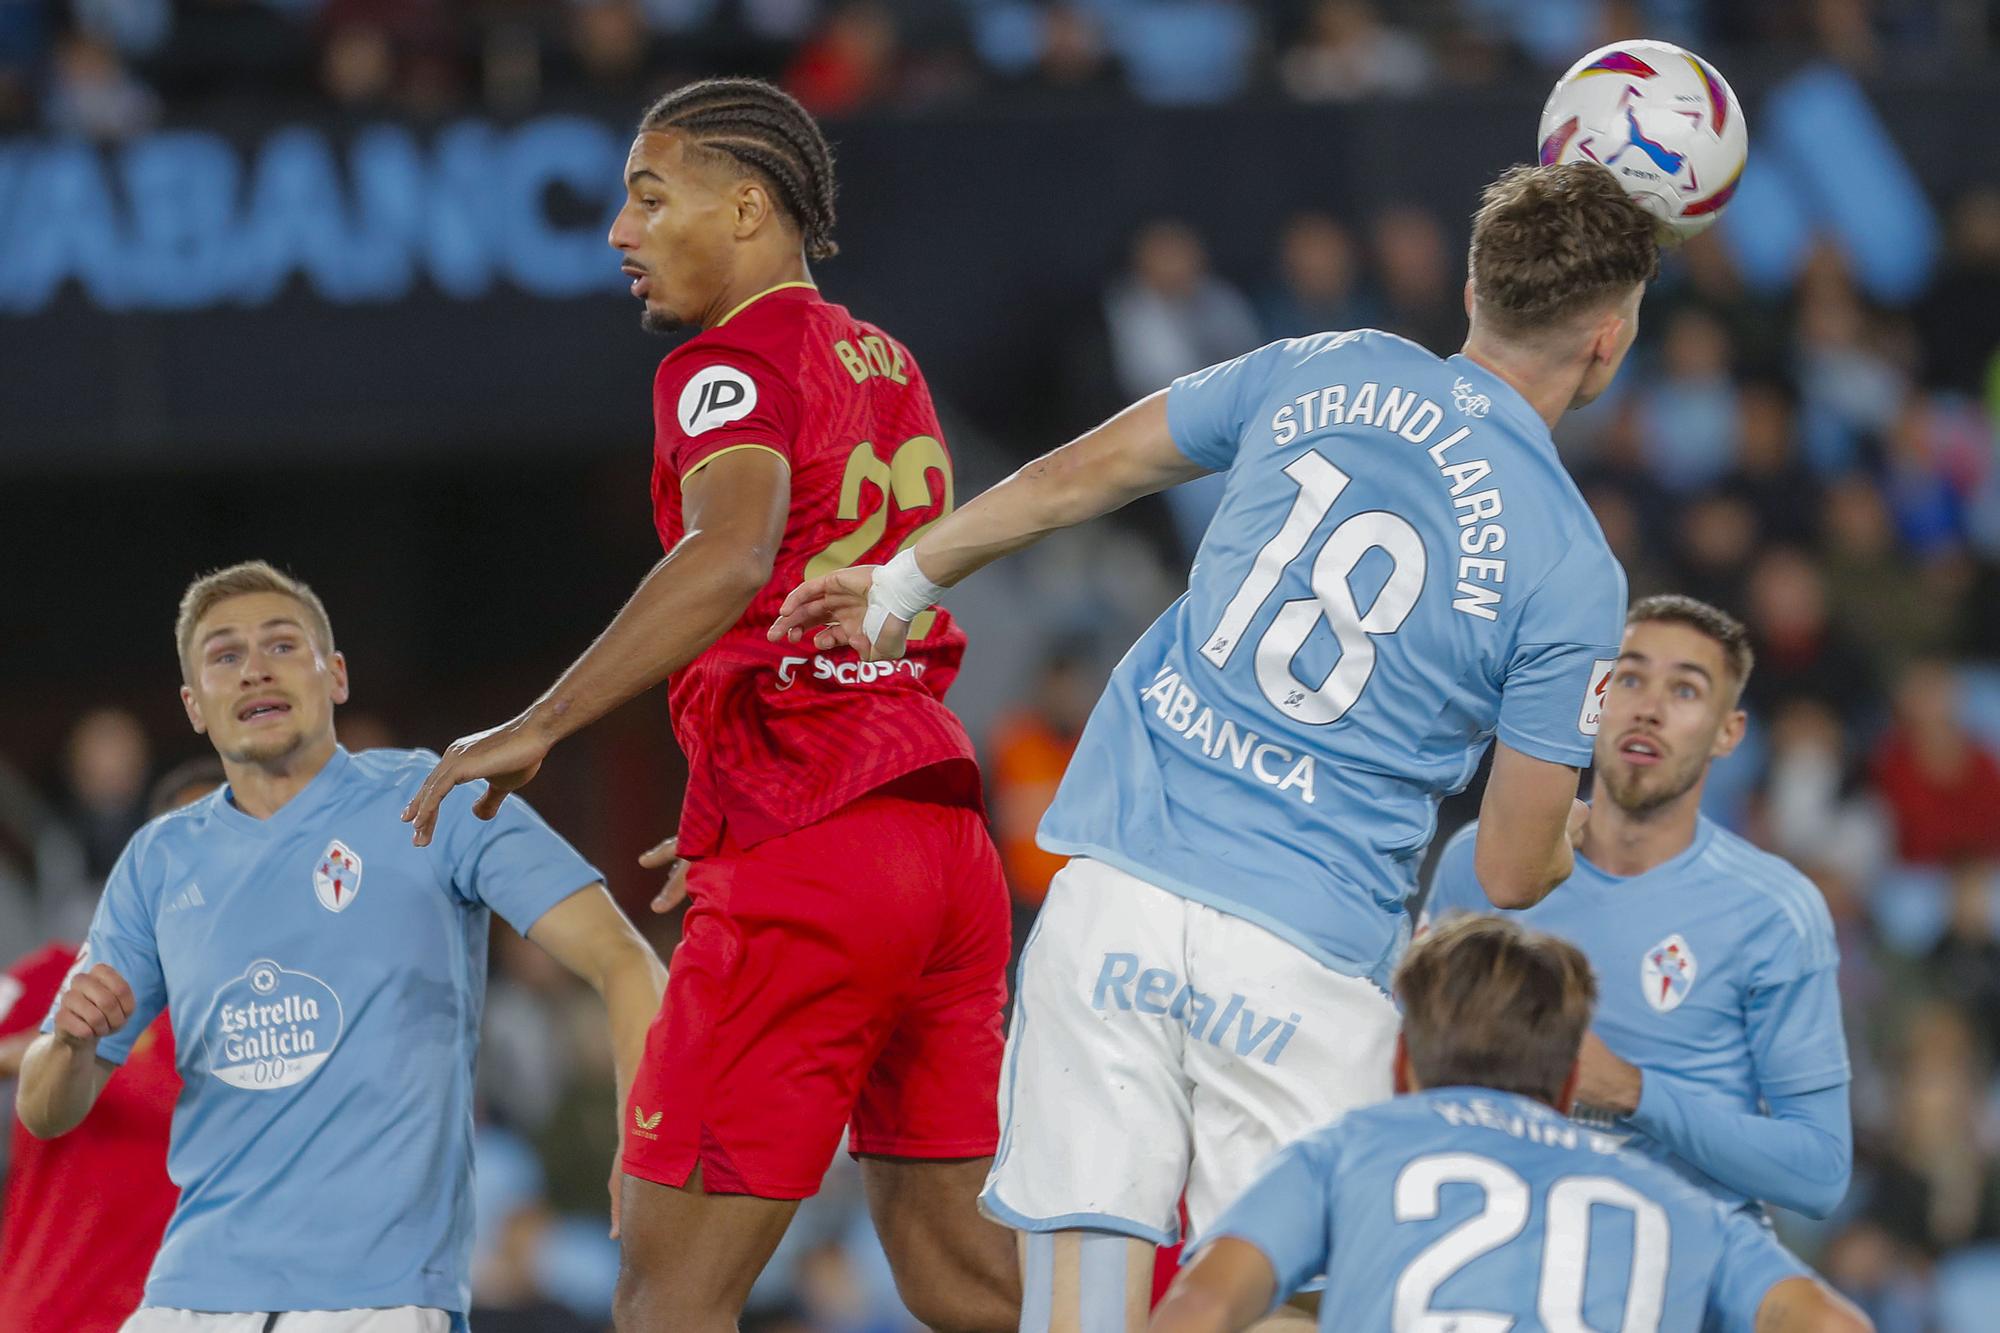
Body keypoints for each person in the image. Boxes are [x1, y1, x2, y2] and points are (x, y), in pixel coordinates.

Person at [772, 161, 1651, 1331]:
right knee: (1279, 1301)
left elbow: (1080, 472)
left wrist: (902, 577)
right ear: (1606, 339)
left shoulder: (1325, 363)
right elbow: (1507, 867)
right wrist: (1589, 829)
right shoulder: (1571, 568)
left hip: (1115, 898)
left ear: (1476, 286)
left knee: (1077, 1304)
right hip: (1304, 951)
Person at [398, 79, 1018, 1333]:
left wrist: (541, 721)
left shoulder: (721, 362)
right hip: (941, 840)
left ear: (745, 207)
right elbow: (822, 603)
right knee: (968, 1280)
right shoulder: (880, 357)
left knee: (667, 1291)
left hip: (815, 854)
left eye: (647, 196)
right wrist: (742, 793)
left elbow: (733, 552)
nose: (619, 232)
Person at [16, 560, 665, 1333]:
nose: (254, 667)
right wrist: (70, 1041)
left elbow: (624, 960)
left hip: (376, 1298)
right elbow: (47, 1107)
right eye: (224, 655)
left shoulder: (437, 797)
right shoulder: (158, 859)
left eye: (282, 644)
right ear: (195, 706)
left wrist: (648, 1133)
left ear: (338, 676)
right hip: (188, 1293)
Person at [1148, 916, 1872, 1333]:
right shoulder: (1683, 1209)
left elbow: (1203, 1305)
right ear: (1565, 1084)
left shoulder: (1343, 1153)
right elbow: (1837, 1324)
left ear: (1402, 1061)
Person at [1424, 596, 1854, 1219]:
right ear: (1595, 702)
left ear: (1727, 733)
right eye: (1629, 679)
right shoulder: (1485, 864)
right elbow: (1405, 1065)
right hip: (1503, 1247)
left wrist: (1630, 1090)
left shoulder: (1774, 913)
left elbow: (1820, 1173)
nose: (1649, 710)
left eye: (1685, 691)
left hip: (1679, 1271)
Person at [0, 757, 220, 1332]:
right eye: (181, 837)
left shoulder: (274, 1014)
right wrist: (41, 1050)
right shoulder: (56, 975)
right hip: (48, 1317)